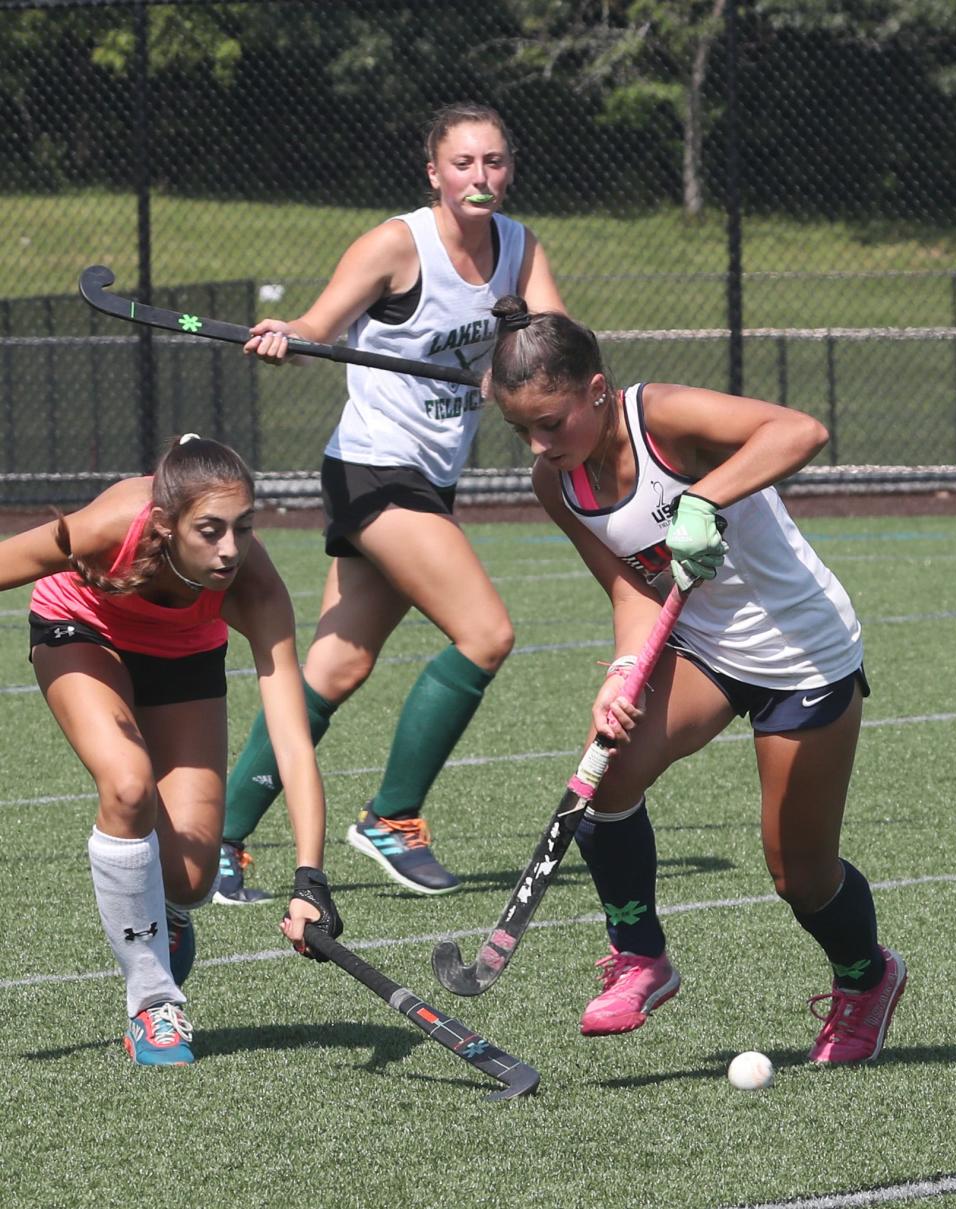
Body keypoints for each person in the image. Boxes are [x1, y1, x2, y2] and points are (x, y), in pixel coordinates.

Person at [484, 294, 906, 1065]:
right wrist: (621, 673)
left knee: (798, 874)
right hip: (704, 649)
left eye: (552, 422)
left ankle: (866, 978)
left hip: (801, 654)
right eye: (522, 430)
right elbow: (630, 588)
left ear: (597, 390)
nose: (540, 444)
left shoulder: (664, 417)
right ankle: (640, 955)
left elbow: (801, 429)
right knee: (602, 772)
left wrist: (704, 497)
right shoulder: (560, 483)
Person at [217, 101, 566, 902]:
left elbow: (554, 339)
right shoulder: (396, 243)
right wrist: (288, 335)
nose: (482, 177)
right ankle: (392, 816)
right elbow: (319, 322)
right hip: (376, 471)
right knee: (486, 634)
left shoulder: (519, 246)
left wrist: (518, 363)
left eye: (495, 162)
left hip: (431, 478)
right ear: (434, 173)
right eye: (465, 164)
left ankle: (222, 837)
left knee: (336, 666)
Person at [7, 434, 341, 1066]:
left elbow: (292, 741)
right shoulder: (111, 526)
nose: (231, 549)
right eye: (211, 530)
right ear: (165, 523)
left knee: (191, 878)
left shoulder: (254, 587)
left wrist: (310, 877)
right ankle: (153, 1003)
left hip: (184, 654)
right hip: (82, 628)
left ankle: (160, 914)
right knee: (129, 784)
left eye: (244, 528)